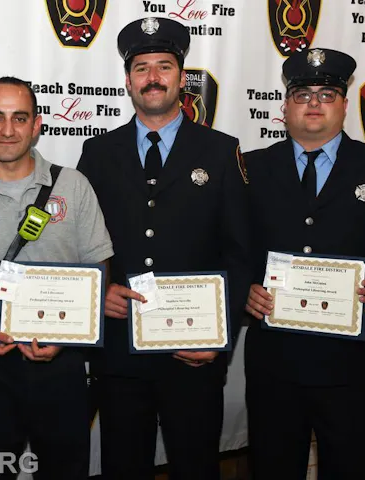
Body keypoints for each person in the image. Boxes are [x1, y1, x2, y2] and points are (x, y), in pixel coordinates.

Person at [244, 48, 365, 480]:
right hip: (276, 367)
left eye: (327, 94)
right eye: (303, 94)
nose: (314, 104)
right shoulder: (250, 169)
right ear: (285, 106)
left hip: (353, 367)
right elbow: (229, 247)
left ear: (345, 105)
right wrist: (245, 288)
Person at [76, 17, 251, 479]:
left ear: (181, 76)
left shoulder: (221, 151)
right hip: (120, 350)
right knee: (122, 465)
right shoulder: (98, 153)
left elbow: (240, 251)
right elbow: (76, 242)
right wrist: (100, 290)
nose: (152, 77)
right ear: (128, 80)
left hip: (193, 352)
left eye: (164, 66)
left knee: (195, 466)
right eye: (142, 68)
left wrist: (222, 334)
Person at [0, 76, 114, 480]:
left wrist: (66, 338)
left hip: (61, 363)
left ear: (36, 125)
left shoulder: (74, 186)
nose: (8, 130)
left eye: (19, 118)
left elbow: (99, 268)